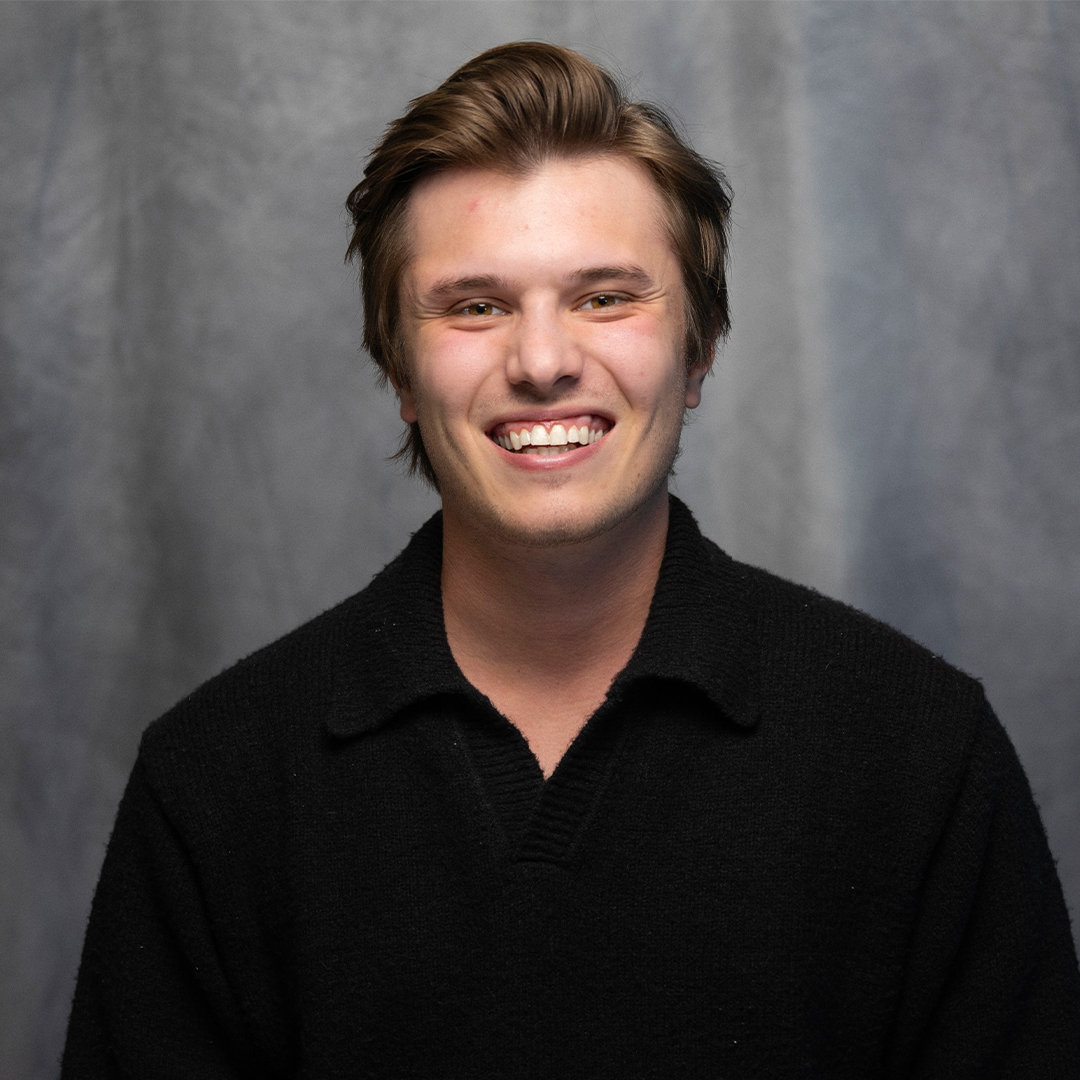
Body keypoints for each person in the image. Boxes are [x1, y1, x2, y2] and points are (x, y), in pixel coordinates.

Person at [62, 42, 1079, 1078]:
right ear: (398, 367)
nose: (542, 362)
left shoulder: (917, 751)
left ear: (701, 349)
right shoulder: (217, 781)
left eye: (605, 297)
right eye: (475, 306)